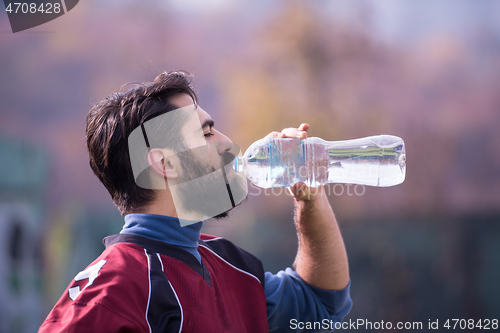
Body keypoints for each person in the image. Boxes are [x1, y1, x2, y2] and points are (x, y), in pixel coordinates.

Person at [39, 71, 352, 332]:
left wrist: (310, 197)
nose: (228, 144)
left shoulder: (229, 266)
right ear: (166, 164)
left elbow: (322, 302)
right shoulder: (111, 292)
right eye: (207, 133)